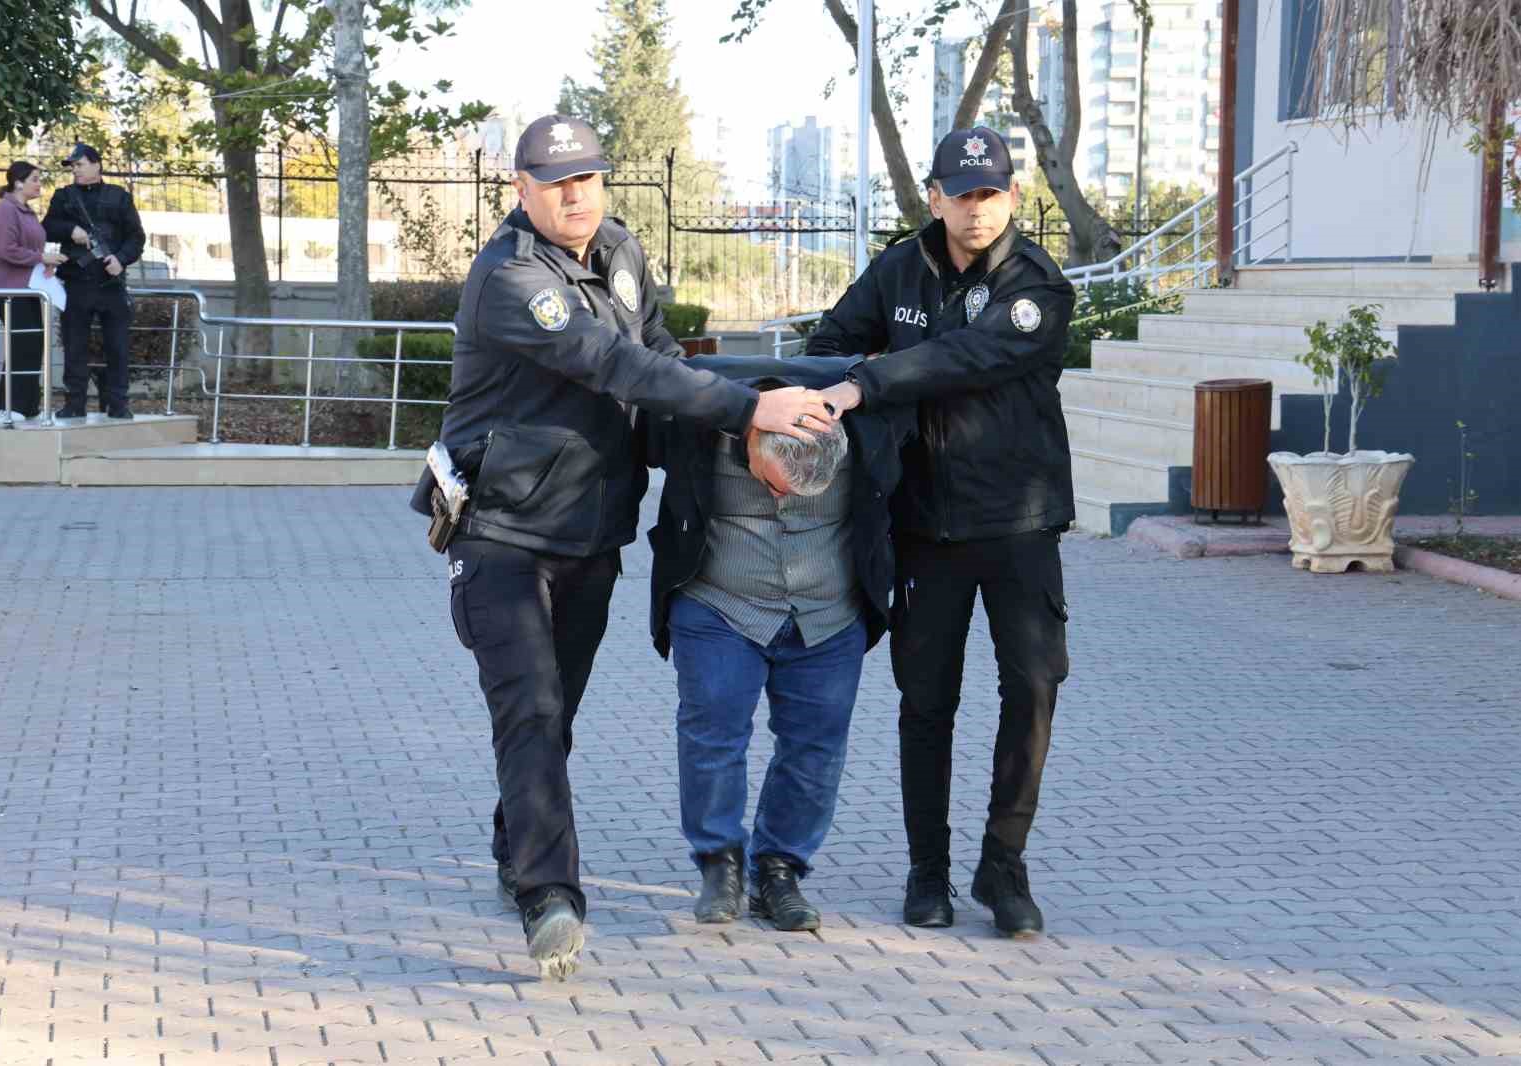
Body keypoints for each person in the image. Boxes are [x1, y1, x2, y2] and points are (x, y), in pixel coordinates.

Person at [431, 115, 835, 980]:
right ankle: (550, 897)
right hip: (501, 533)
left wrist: (744, 426)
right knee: (532, 710)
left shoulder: (618, 249)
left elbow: (657, 353)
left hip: (590, 532)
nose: (574, 195)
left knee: (556, 714)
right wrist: (747, 408)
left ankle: (513, 841)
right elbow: (613, 363)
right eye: (554, 183)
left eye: (586, 178)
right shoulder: (510, 277)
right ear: (521, 190)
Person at [809, 127, 1075, 937]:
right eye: (962, 194)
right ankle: (928, 870)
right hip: (924, 523)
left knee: (1033, 688)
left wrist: (872, 384)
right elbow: (829, 346)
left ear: (1014, 197)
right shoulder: (899, 269)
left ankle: (1004, 865)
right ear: (935, 198)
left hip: (1019, 521)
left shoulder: (1037, 285)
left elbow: (968, 356)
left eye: (991, 194)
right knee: (926, 701)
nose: (977, 209)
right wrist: (870, 427)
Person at [645, 355, 905, 932]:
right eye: (770, 482)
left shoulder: (866, 431)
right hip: (719, 605)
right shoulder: (700, 421)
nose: (780, 498)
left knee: (816, 747)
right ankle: (719, 863)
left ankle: (780, 868)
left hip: (828, 614)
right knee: (712, 735)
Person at [41, 143, 145, 421]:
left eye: (80, 164)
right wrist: (70, 229)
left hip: (111, 283)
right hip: (77, 283)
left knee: (118, 347)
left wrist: (120, 259)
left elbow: (136, 237)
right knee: (75, 347)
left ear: (97, 164)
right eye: (73, 166)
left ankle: (118, 404)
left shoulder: (119, 197)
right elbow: (46, 227)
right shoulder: (64, 196)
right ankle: (74, 404)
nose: (75, 170)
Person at [0, 161, 66, 418]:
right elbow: (6, 249)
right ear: (18, 182)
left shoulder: (26, 211)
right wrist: (41, 258)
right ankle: (10, 406)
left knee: (33, 343)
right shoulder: (5, 210)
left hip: (27, 287)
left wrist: (45, 263)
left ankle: (26, 406)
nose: (40, 184)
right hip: (6, 289)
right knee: (23, 344)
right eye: (35, 179)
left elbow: (30, 249)